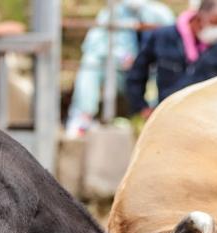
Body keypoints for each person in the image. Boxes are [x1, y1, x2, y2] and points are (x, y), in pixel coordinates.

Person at [65, 0, 175, 138]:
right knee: (91, 61)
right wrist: (120, 56)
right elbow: (92, 45)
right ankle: (82, 119)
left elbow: (173, 45)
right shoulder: (113, 12)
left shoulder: (161, 14)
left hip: (151, 75)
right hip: (122, 73)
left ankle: (159, 123)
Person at [126, 0, 217, 121]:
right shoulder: (163, 37)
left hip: (208, 119)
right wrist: (141, 106)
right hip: (168, 116)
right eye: (216, 22)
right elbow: (137, 73)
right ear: (200, 17)